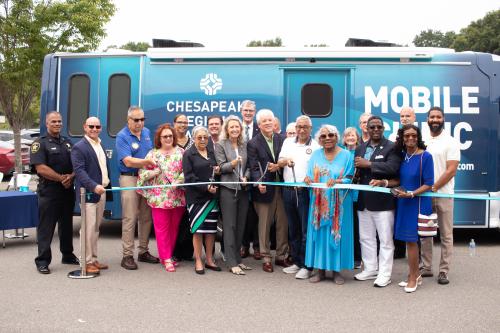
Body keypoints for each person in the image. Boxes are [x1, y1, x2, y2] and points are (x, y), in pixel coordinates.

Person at [372, 124, 434, 293]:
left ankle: (413, 277)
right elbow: (398, 180)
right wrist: (383, 183)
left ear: (418, 137)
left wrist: (412, 194)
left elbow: (429, 183)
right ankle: (414, 275)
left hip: (417, 202)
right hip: (403, 202)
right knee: (408, 241)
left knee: (412, 241)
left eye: (413, 135)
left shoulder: (425, 157)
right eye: (406, 136)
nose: (410, 138)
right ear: (402, 138)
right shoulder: (403, 155)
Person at [354, 116, 401, 287]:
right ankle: (370, 269)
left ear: (383, 128)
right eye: (372, 127)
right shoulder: (360, 148)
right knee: (366, 238)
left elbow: (393, 168)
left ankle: (385, 274)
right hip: (363, 200)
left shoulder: (392, 147)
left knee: (386, 240)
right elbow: (357, 170)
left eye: (378, 127)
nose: (375, 130)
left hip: (383, 202)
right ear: (366, 128)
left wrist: (370, 164)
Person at [304, 124, 354, 284]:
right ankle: (320, 270)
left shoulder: (347, 155)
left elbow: (350, 177)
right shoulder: (315, 155)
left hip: (340, 203)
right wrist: (308, 179)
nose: (327, 138)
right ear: (319, 139)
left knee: (336, 233)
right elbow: (309, 175)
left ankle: (336, 271)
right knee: (319, 235)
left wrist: (338, 181)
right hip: (319, 204)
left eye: (331, 135)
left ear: (336, 137)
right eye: (324, 136)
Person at [31, 111, 78, 274]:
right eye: (53, 121)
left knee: (66, 225)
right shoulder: (40, 143)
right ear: (47, 123)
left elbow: (75, 164)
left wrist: (71, 177)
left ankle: (67, 254)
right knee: (46, 226)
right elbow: (41, 168)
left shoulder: (68, 143)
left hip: (66, 190)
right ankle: (42, 260)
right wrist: (60, 179)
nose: (57, 124)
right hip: (49, 191)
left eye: (59, 121)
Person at [136, 123, 185, 272]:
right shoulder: (152, 154)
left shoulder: (182, 152)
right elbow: (142, 174)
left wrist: (178, 181)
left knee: (174, 228)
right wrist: (154, 172)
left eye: (170, 136)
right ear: (159, 138)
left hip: (177, 196)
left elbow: (187, 171)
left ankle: (166, 256)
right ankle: (167, 258)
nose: (168, 138)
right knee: (161, 228)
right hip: (159, 197)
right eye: (165, 136)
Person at [116, 106, 159, 270]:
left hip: (146, 178)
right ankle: (127, 255)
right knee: (130, 217)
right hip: (130, 178)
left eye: (142, 119)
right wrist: (146, 163)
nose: (140, 123)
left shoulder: (147, 132)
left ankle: (143, 251)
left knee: (146, 217)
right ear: (128, 120)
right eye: (136, 120)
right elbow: (127, 161)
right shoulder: (122, 136)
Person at [247, 109, 290, 273]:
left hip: (282, 186)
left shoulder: (283, 139)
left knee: (282, 223)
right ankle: (266, 257)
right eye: (264, 121)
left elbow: (285, 159)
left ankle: (281, 256)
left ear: (274, 122)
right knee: (264, 225)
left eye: (270, 120)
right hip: (264, 189)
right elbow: (253, 166)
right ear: (259, 125)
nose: (267, 123)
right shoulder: (253, 143)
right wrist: (259, 182)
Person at [420, 106, 460, 285]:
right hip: (425, 194)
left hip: (443, 194)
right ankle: (426, 267)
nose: (435, 120)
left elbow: (451, 170)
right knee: (426, 232)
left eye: (438, 117)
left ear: (443, 119)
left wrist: (434, 187)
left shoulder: (450, 141)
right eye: (432, 117)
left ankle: (444, 271)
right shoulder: (422, 139)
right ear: (427, 119)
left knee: (446, 234)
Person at [277, 116, 320, 279]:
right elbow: (279, 161)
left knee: (305, 230)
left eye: (305, 127)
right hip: (288, 189)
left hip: (305, 191)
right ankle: (296, 261)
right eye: (299, 127)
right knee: (293, 228)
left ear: (310, 128)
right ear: (295, 128)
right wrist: (285, 161)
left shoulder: (315, 146)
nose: (301, 130)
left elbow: (318, 170)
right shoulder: (288, 142)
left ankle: (307, 265)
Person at [71, 117, 110, 275]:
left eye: (97, 126)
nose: (94, 129)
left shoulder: (99, 144)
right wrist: (93, 186)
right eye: (91, 126)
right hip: (88, 194)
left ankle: (93, 259)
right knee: (87, 229)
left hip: (101, 192)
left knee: (95, 228)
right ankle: (86, 262)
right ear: (85, 127)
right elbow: (79, 172)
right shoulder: (79, 147)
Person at [215, 115, 251, 275]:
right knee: (229, 226)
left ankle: (238, 259)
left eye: (237, 127)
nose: (235, 129)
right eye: (232, 127)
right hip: (228, 189)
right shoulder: (220, 145)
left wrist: (247, 177)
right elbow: (221, 167)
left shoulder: (244, 145)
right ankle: (230, 262)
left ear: (241, 129)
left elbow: (249, 166)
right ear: (227, 129)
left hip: (243, 189)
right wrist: (233, 164)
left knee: (241, 225)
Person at [183, 126, 222, 274]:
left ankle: (210, 259)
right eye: (199, 137)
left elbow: (216, 172)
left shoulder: (212, 152)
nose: (203, 140)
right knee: (198, 230)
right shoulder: (188, 154)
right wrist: (206, 187)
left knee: (211, 231)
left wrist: (217, 170)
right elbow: (189, 177)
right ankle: (198, 260)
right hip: (196, 198)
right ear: (193, 138)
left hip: (212, 198)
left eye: (205, 137)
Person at [388, 107, 417, 258]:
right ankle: (399, 251)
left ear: (414, 117)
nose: (405, 118)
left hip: (413, 179)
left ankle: (416, 256)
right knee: (398, 215)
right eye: (402, 116)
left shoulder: (418, 134)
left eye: (408, 115)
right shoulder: (394, 134)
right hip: (398, 177)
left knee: (414, 221)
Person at [239, 100, 261, 259]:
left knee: (257, 214)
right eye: (245, 110)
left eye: (250, 111)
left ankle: (258, 247)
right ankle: (244, 245)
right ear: (241, 111)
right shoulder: (236, 128)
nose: (248, 113)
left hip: (257, 175)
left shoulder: (260, 129)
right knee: (244, 214)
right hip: (240, 176)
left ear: (254, 112)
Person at [173, 113, 195, 261]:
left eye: (185, 122)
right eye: (180, 122)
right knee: (176, 221)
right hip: (174, 186)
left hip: (189, 186)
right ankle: (175, 252)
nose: (183, 124)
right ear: (174, 123)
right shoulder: (169, 140)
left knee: (188, 220)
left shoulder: (192, 142)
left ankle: (187, 252)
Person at [342, 127, 362, 268]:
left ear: (357, 137)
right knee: (344, 227)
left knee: (356, 227)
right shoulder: (341, 153)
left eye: (353, 135)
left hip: (357, 195)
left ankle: (357, 257)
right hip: (343, 195)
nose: (350, 137)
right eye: (347, 135)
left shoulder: (361, 152)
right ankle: (345, 255)